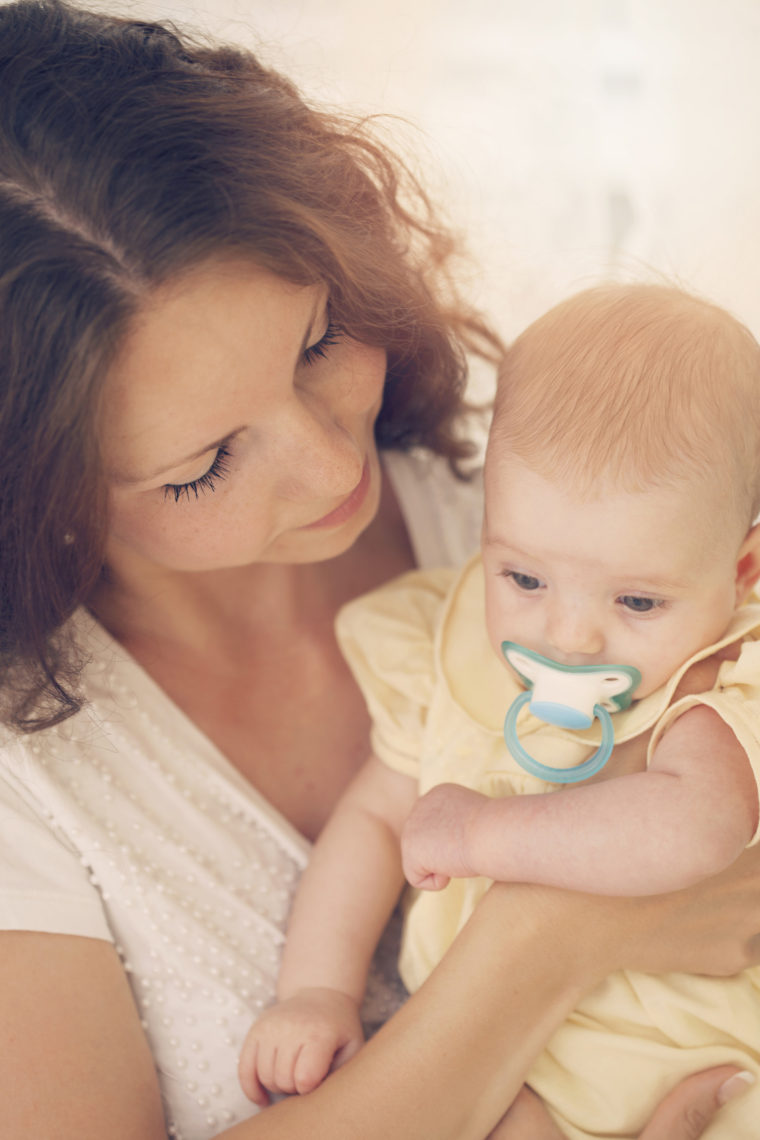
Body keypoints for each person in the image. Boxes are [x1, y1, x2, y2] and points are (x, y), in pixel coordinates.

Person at [0, 1, 756, 1136]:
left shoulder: (553, 517)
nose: (328, 465)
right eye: (205, 465)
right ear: (33, 500)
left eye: (315, 344)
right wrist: (547, 939)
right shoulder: (29, 794)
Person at [241, 283, 760, 1138]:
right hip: (497, 1070)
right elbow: (376, 822)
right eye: (522, 578)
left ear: (738, 573)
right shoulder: (456, 654)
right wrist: (315, 991)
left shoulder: (720, 677)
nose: (568, 636)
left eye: (636, 601)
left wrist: (483, 835)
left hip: (683, 1069)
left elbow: (699, 825)